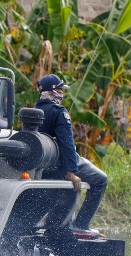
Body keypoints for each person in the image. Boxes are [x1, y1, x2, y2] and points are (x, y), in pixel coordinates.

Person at [35, 73, 108, 239]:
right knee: (101, 179)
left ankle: (55, 225)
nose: (62, 93)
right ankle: (80, 225)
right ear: (54, 91)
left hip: (44, 164)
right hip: (62, 162)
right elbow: (67, 143)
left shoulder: (34, 110)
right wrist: (71, 172)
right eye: (61, 89)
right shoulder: (59, 112)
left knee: (67, 191)